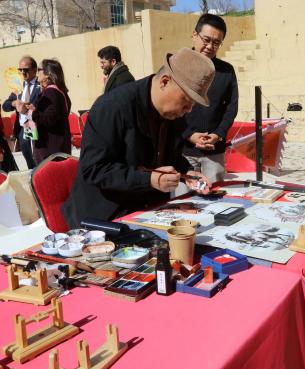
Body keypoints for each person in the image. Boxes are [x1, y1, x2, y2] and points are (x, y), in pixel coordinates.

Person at [62, 48, 215, 228]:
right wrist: (149, 179)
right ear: (165, 82)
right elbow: (94, 169)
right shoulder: (112, 107)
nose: (188, 109)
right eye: (186, 101)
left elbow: (170, 154)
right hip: (104, 219)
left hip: (147, 213)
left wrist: (187, 172)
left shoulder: (172, 114)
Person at [180, 13, 238, 185]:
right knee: (182, 205)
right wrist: (189, 135)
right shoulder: (176, 65)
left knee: (215, 202)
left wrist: (218, 134)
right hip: (182, 152)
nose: (210, 46)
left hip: (214, 153)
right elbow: (167, 110)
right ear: (194, 35)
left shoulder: (226, 71)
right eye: (206, 39)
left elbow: (232, 107)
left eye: (216, 42)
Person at [15, 59, 72, 165]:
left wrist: (27, 111)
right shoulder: (57, 91)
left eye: (39, 69)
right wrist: (34, 108)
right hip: (55, 148)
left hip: (51, 151)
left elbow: (48, 119)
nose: (37, 72)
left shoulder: (51, 92)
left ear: (48, 74)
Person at [2, 56, 41, 169]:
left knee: (38, 158)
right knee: (29, 158)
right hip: (24, 129)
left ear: (34, 70)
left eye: (26, 70)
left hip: (37, 127)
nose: (23, 72)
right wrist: (14, 103)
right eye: (20, 70)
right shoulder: (19, 86)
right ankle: (33, 179)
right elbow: (5, 105)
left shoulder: (41, 85)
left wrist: (32, 107)